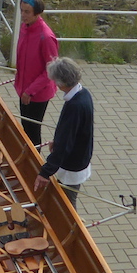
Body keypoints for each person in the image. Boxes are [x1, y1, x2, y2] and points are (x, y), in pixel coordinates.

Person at [33, 56, 93, 210]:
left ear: (60, 83)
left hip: (73, 162)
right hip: (78, 157)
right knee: (66, 198)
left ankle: (75, 232)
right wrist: (57, 142)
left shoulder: (75, 106)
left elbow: (66, 142)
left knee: (68, 205)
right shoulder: (83, 93)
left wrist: (45, 172)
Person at [14, 0, 58, 149]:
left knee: (33, 131)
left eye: (27, 12)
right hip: (24, 88)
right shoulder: (25, 28)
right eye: (22, 11)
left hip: (37, 93)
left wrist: (30, 91)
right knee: (25, 128)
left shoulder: (46, 37)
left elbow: (51, 70)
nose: (23, 15)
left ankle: (35, 165)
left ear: (37, 13)